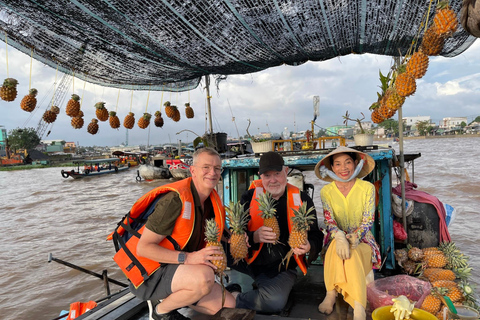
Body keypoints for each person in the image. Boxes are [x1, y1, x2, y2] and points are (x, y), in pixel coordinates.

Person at [124, 147, 235, 320]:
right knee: (204, 277)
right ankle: (160, 311)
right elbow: (143, 248)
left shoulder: (211, 200)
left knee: (227, 305)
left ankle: (176, 295)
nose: (212, 173)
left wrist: (238, 238)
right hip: (151, 275)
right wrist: (189, 258)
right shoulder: (174, 201)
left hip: (180, 270)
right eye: (206, 167)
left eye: (217, 168)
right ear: (193, 170)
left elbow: (216, 233)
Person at [226, 151, 323, 314]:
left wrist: (308, 246)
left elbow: (316, 236)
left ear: (286, 172)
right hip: (249, 260)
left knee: (274, 302)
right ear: (260, 176)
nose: (272, 180)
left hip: (280, 266)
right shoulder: (249, 197)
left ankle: (233, 297)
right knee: (215, 244)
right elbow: (235, 233)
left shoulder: (303, 199)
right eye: (267, 175)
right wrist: (254, 236)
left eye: (277, 174)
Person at [314, 146, 381, 320]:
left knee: (353, 254)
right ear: (331, 168)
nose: (343, 168)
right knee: (336, 245)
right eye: (337, 164)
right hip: (337, 237)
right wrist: (340, 235)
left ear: (356, 163)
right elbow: (329, 221)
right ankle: (331, 295)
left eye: (347, 162)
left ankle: (357, 306)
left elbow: (368, 220)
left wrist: (355, 237)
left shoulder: (367, 188)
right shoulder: (326, 192)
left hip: (363, 239)